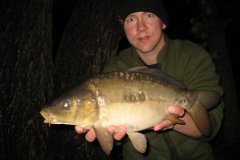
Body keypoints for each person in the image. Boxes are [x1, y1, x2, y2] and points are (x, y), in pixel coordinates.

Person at [75, 0, 224, 159]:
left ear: (163, 23)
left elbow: (210, 129)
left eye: (149, 15)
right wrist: (107, 133)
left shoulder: (192, 55)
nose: (140, 27)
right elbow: (118, 138)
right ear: (124, 28)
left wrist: (173, 121)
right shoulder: (115, 70)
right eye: (131, 19)